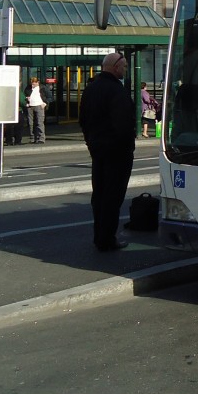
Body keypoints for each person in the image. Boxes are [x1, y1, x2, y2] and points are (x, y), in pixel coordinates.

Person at [79, 52, 136, 252]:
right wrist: (128, 147)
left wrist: (91, 143)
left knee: (100, 195)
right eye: (125, 66)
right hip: (117, 153)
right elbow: (124, 126)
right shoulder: (116, 91)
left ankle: (99, 236)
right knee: (113, 196)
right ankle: (107, 238)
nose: (126, 69)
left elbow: (83, 121)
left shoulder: (91, 89)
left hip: (98, 150)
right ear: (115, 66)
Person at [24, 76, 52, 144]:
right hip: (30, 106)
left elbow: (50, 97)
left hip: (39, 106)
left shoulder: (43, 88)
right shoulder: (28, 88)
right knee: (31, 123)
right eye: (31, 84)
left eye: (34, 84)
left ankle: (41, 138)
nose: (32, 85)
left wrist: (45, 103)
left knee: (39, 122)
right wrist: (26, 100)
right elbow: (25, 94)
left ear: (37, 82)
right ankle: (33, 138)